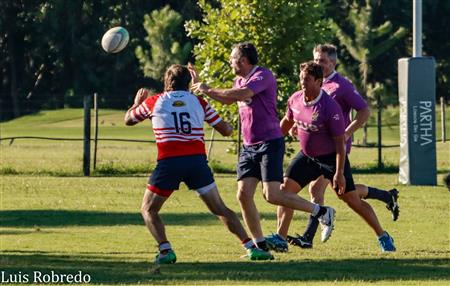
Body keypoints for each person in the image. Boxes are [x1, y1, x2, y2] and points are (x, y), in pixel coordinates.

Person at [190, 42, 336, 255]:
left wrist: (208, 89)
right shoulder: (238, 79)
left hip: (269, 143)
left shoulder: (263, 76)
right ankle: (260, 246)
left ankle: (322, 211)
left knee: (272, 195)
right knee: (243, 194)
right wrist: (202, 89)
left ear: (242, 60)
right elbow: (229, 98)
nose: (229, 62)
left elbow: (241, 94)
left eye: (232, 59)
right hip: (249, 146)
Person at [124, 64, 275, 263]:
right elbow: (227, 130)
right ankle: (251, 247)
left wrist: (136, 103)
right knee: (220, 209)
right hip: (196, 163)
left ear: (167, 82)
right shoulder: (199, 102)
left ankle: (165, 250)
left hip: (169, 162)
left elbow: (128, 120)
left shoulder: (154, 101)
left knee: (148, 209)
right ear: (188, 83)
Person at [267, 59, 396, 253]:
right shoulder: (295, 99)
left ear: (319, 82)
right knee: (285, 191)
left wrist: (339, 173)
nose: (303, 83)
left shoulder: (330, 108)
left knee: (352, 200)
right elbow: (287, 121)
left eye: (308, 79)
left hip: (331, 158)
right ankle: (280, 238)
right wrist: (273, 140)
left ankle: (383, 235)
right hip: (307, 156)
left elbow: (339, 144)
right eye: (301, 79)